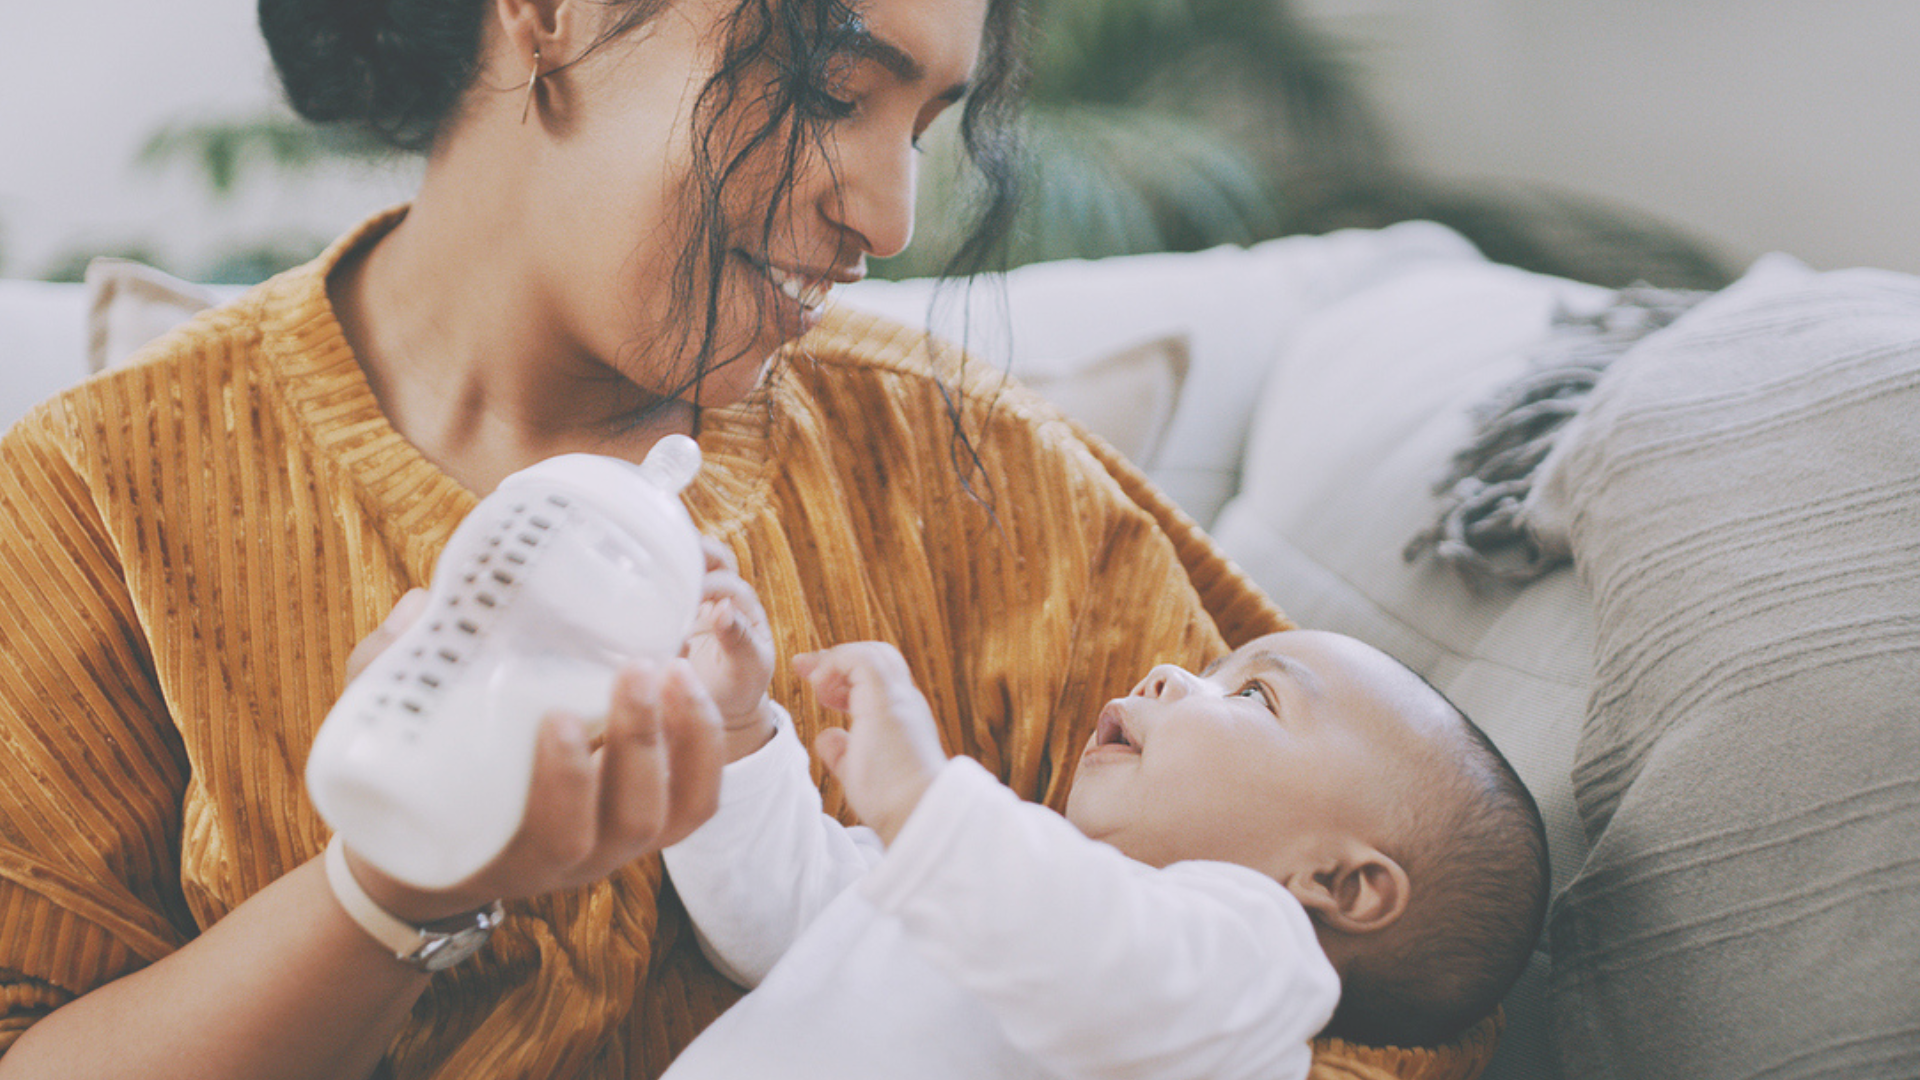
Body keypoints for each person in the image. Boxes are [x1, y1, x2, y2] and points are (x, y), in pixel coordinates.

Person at [0, 0, 1370, 1076]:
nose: (890, 216)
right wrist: (386, 891)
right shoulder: (97, 500)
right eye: (832, 89)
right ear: (548, 10)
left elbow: (1376, 978)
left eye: (924, 126)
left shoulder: (983, 477)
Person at [657, 631, 1550, 1079]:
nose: (1169, 673)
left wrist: (926, 802)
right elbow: (779, 914)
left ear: (1339, 883)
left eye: (1253, 696)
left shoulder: (1256, 977)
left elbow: (1090, 955)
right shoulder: (999, 871)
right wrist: (736, 730)